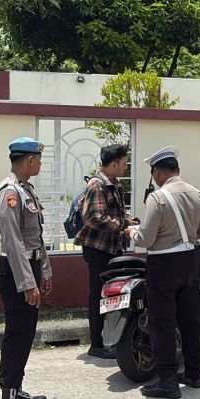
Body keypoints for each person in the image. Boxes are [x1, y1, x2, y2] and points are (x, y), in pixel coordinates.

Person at [123, 146, 200, 399]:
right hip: (189, 260)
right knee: (190, 319)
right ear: (177, 170)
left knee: (162, 322)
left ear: (157, 172)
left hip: (163, 263)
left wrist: (131, 232)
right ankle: (194, 373)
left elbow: (146, 239)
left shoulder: (157, 198)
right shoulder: (197, 193)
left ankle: (168, 381)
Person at [0, 137, 53, 399]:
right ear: (29, 160)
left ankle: (16, 391)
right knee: (17, 335)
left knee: (26, 333)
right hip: (17, 271)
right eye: (38, 159)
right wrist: (27, 283)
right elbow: (13, 242)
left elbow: (35, 239)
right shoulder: (9, 193)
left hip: (30, 266)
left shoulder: (26, 190)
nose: (40, 163)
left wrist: (45, 271)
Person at [74, 144, 130, 360]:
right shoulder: (97, 185)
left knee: (112, 296)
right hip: (98, 249)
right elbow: (94, 218)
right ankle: (96, 344)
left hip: (112, 247)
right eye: (124, 163)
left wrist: (128, 220)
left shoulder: (113, 184)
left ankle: (109, 340)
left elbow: (116, 213)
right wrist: (122, 226)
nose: (125, 167)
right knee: (98, 295)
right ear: (113, 164)